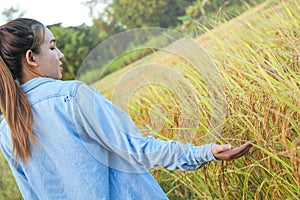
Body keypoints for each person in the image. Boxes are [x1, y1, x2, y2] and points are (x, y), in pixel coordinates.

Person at [0, 18, 253, 200]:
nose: (61, 55)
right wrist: (205, 153)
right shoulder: (72, 96)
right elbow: (135, 148)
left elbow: (31, 195)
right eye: (53, 47)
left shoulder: (5, 130)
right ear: (31, 58)